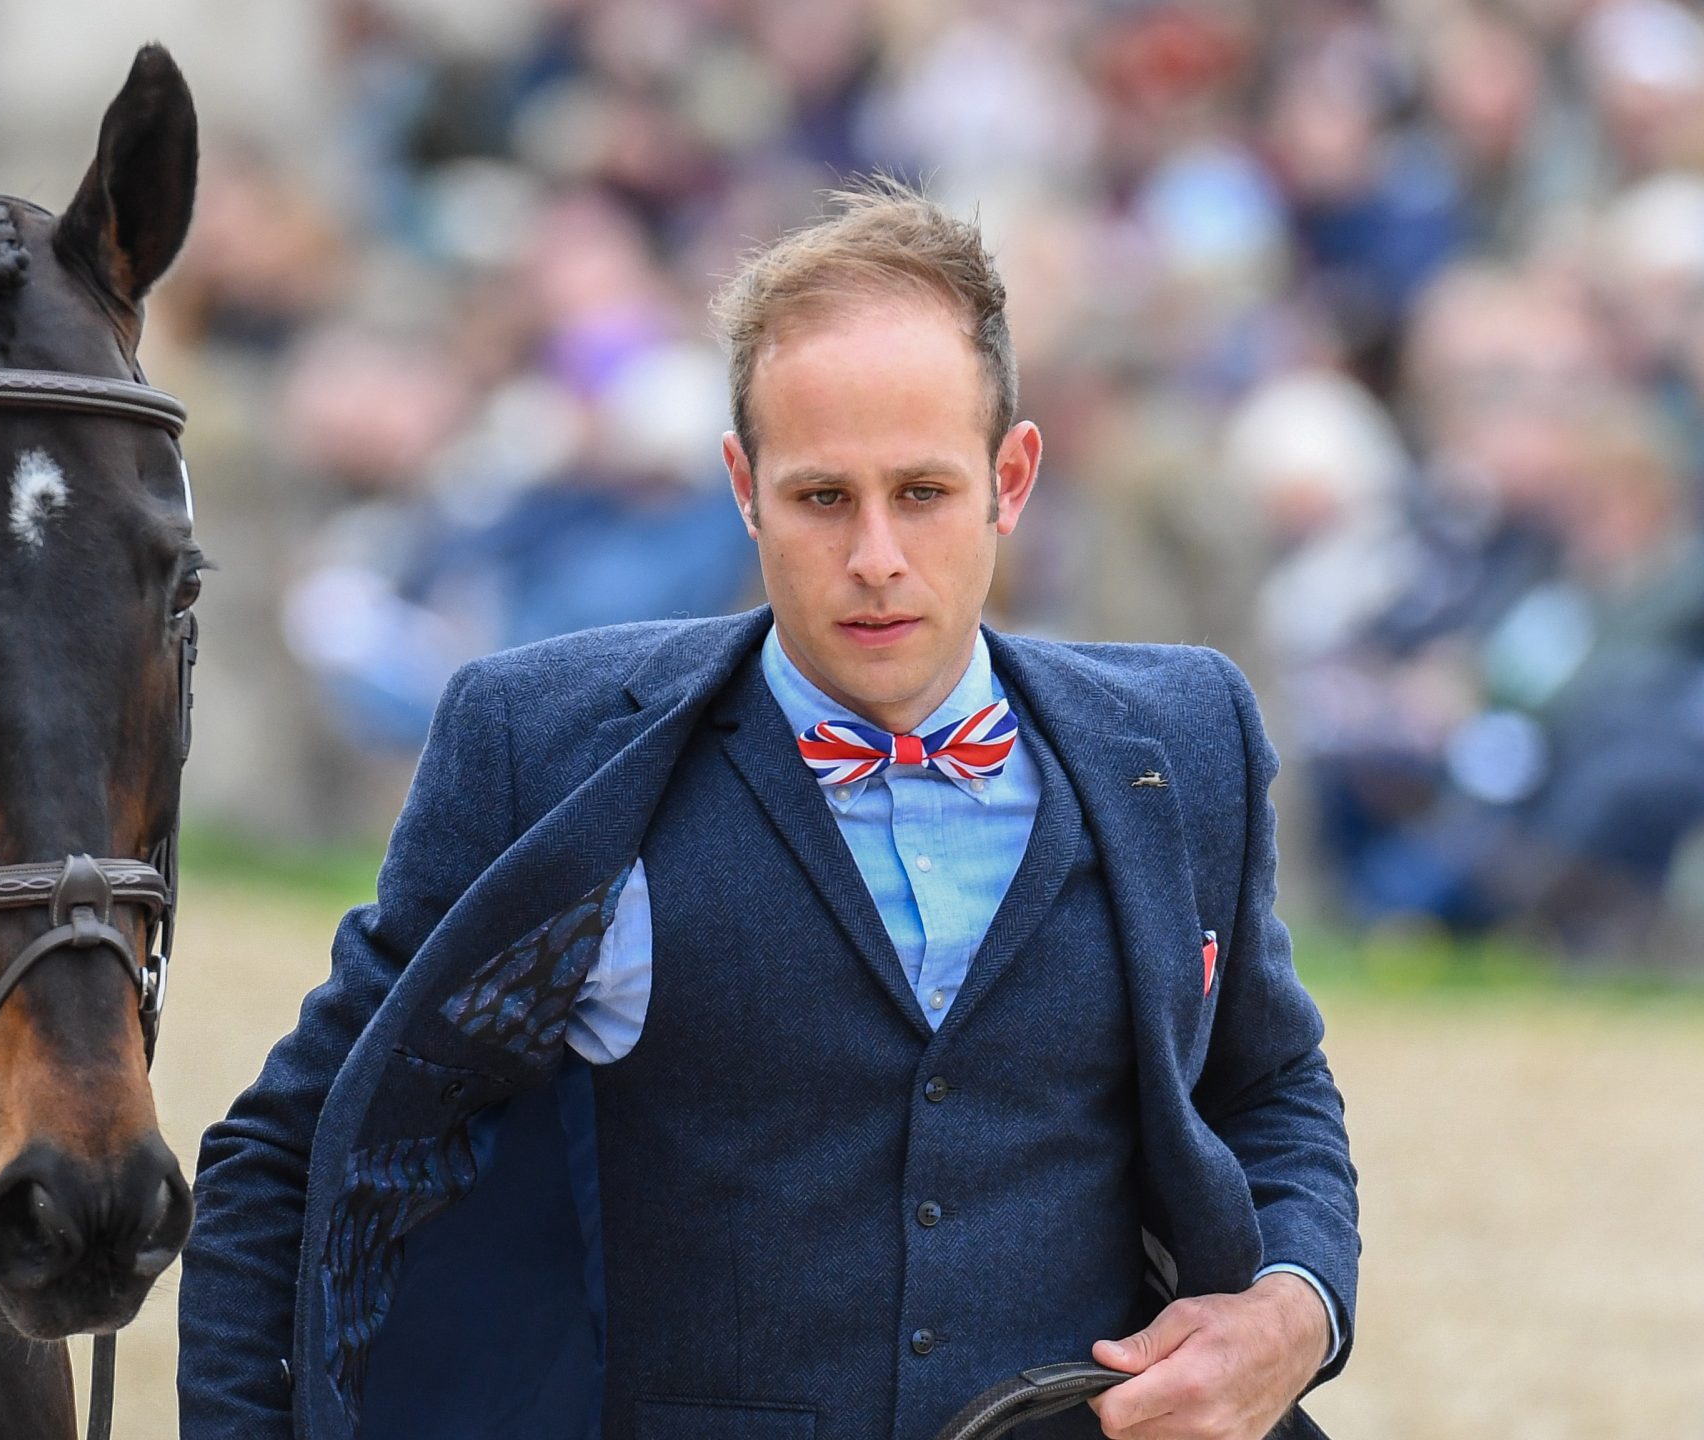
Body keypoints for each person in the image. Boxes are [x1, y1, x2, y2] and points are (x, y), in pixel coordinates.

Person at [179, 184, 1358, 1440]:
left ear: (1012, 478)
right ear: (741, 485)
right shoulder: (546, 749)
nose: (874, 559)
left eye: (922, 493)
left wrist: (1296, 1306)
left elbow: (1270, 1084)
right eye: (819, 498)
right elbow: (295, 1157)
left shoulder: (1184, 740)